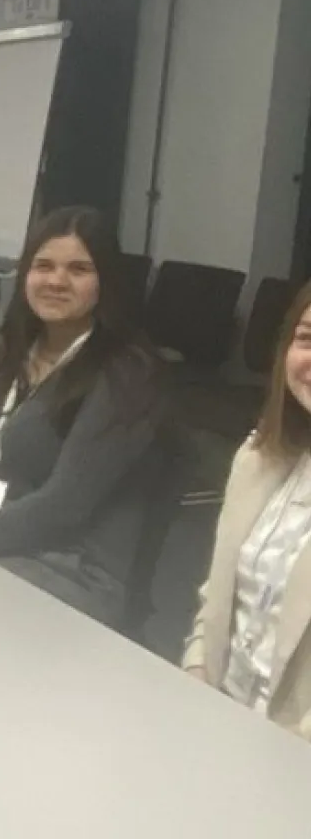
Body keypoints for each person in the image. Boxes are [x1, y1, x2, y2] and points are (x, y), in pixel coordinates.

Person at [0, 207, 162, 624]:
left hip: (67, 568)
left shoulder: (128, 375)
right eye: (43, 266)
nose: (57, 281)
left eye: (79, 269)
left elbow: (63, 506)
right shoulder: (9, 354)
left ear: (107, 283)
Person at [184, 280, 311, 738]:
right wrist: (194, 677)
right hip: (218, 723)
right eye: (307, 338)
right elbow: (216, 598)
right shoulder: (259, 457)